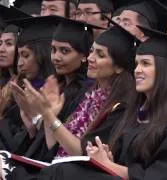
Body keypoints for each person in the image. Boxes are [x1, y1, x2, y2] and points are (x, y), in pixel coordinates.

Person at [19, 25, 167, 180]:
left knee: (61, 173)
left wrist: (108, 164)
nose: (137, 70)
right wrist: (106, 157)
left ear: (165, 70)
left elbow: (160, 176)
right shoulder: (141, 112)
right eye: (137, 64)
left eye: (146, 64)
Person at [0, 20, 138, 180]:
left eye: (100, 55)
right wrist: (43, 117)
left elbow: (82, 155)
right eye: (92, 51)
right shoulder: (88, 95)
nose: (90, 58)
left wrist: (47, 114)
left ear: (119, 66)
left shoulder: (120, 107)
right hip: (58, 169)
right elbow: (54, 146)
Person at [13, 16, 99, 159]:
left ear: (84, 56)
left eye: (64, 51)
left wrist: (42, 115)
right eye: (53, 50)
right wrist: (32, 122)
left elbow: (59, 148)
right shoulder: (55, 85)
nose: (56, 57)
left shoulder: (87, 92)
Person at [0, 16, 56, 152]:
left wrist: (33, 123)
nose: (19, 63)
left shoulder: (55, 94)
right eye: (19, 56)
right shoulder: (19, 85)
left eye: (26, 56)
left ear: (42, 55)